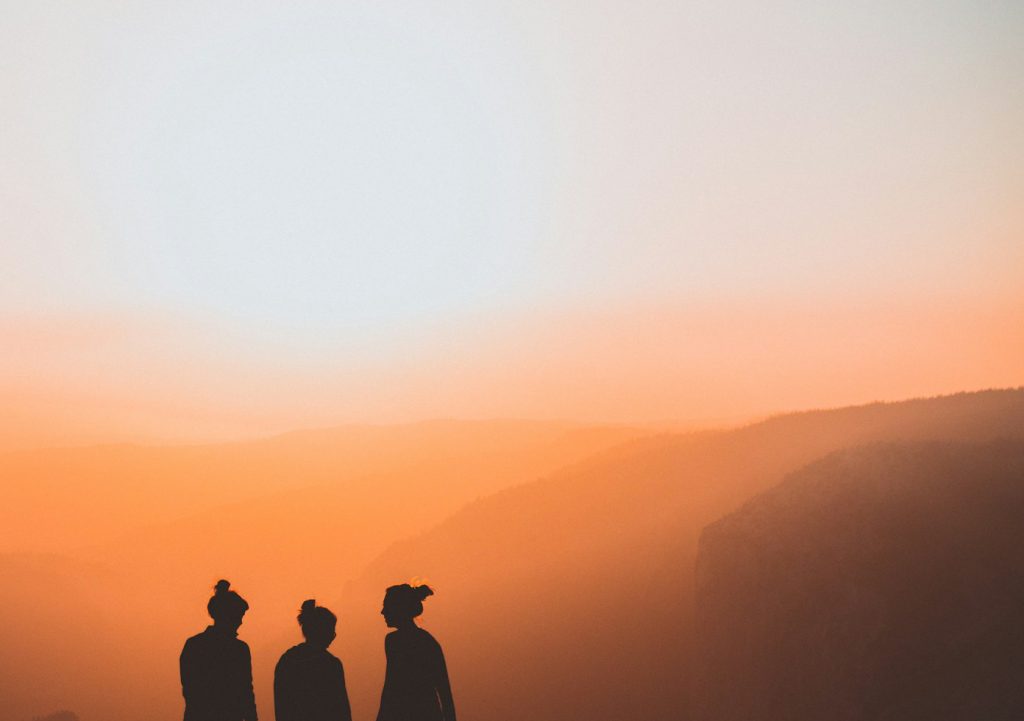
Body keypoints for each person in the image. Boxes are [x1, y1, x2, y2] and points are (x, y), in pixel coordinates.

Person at [180, 579, 258, 721]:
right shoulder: (239, 650)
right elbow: (246, 693)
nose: (240, 622)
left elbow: (190, 692)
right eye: (238, 616)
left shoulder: (193, 646)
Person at [376, 584, 456, 721]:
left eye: (386, 606)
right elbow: (444, 691)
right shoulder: (427, 642)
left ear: (398, 608)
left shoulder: (394, 642)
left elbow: (391, 687)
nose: (382, 612)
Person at [274, 599, 353, 721]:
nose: (334, 635)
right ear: (323, 631)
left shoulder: (287, 660)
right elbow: (342, 710)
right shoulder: (331, 665)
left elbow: (281, 706)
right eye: (332, 629)